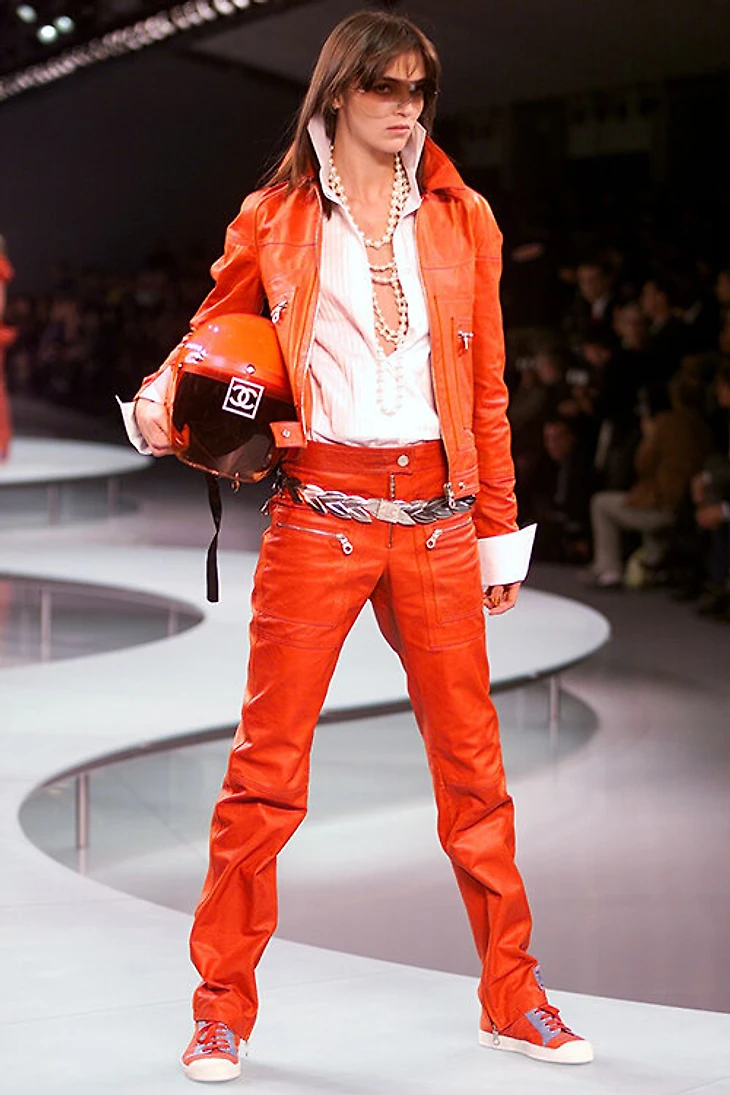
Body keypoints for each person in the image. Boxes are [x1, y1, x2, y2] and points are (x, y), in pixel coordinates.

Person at [123, 11, 593, 1081]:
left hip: (436, 521)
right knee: (265, 775)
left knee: (475, 777)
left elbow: (486, 389)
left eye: (420, 90)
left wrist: (496, 535)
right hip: (318, 519)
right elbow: (211, 335)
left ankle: (513, 995)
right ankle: (220, 1009)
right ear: (338, 92)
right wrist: (155, 405)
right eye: (387, 88)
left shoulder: (463, 217)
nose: (407, 109)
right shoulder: (276, 217)